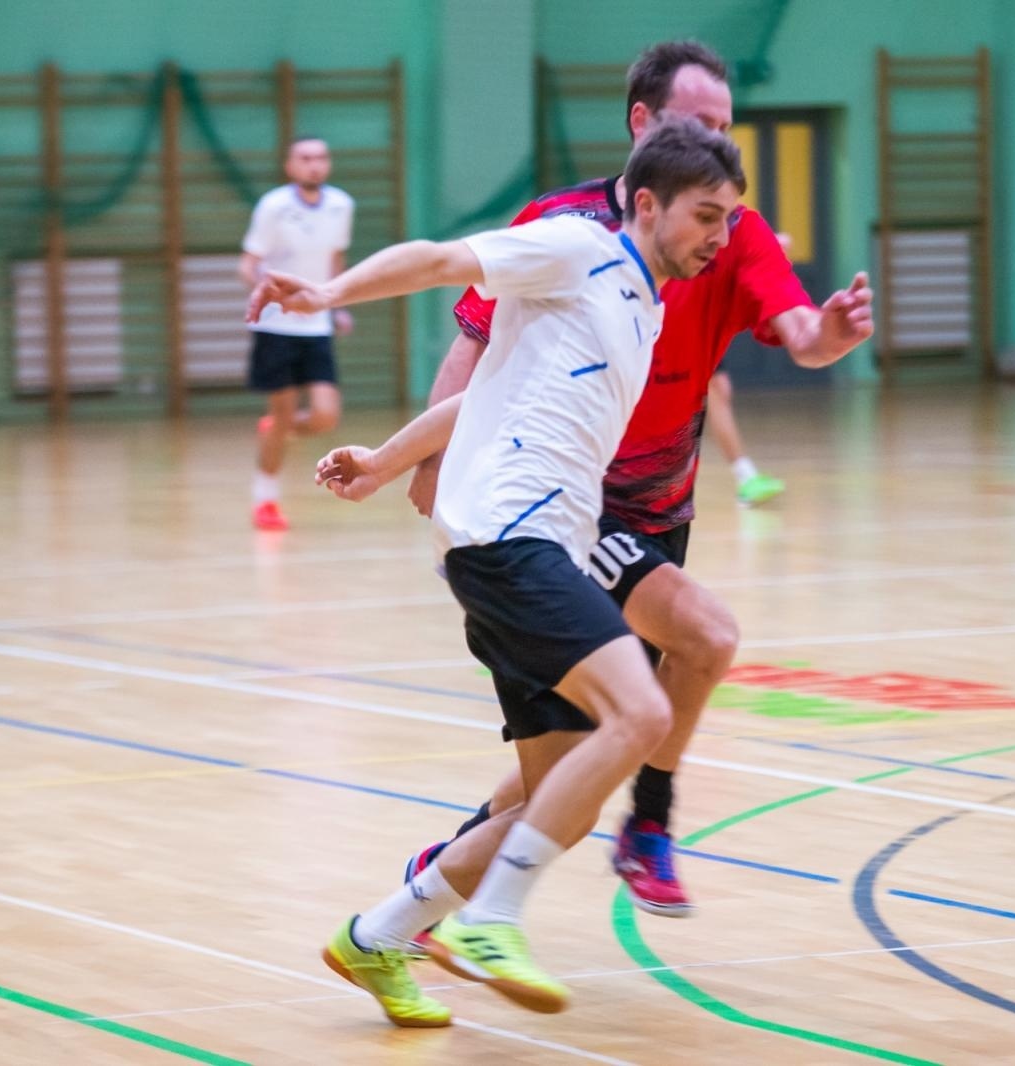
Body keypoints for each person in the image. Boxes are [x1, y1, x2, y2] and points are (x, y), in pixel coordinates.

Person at [248, 118, 748, 1026]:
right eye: (706, 215)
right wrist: (325, 291)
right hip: (508, 539)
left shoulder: (643, 306)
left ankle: (379, 934)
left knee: (550, 795)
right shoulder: (575, 251)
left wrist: (387, 458)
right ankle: (494, 921)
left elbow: (494, 393)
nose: (720, 236)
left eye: (729, 218)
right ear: (646, 203)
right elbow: (439, 259)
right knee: (641, 711)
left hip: (535, 545)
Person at [403, 40, 873, 919]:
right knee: (702, 638)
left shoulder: (732, 232)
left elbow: (802, 333)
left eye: (728, 128)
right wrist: (429, 458)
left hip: (663, 507)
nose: (719, 145)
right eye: (700, 125)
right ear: (642, 126)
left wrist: (832, 336)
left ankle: (440, 878)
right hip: (566, 508)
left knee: (582, 744)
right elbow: (476, 339)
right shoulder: (565, 226)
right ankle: (646, 827)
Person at [238, 136, 356, 531]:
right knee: (283, 410)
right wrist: (265, 295)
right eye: (305, 158)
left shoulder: (341, 205)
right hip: (276, 326)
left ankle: (278, 429)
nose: (314, 165)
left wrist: (336, 303)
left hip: (316, 324)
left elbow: (335, 260)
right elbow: (249, 264)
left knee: (324, 416)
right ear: (290, 166)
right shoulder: (274, 207)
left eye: (320, 158)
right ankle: (265, 501)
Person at [703, 230, 798, 506]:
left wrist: (767, 251)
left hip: (702, 323)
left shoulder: (730, 227)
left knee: (718, 389)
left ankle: (745, 476)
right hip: (665, 317)